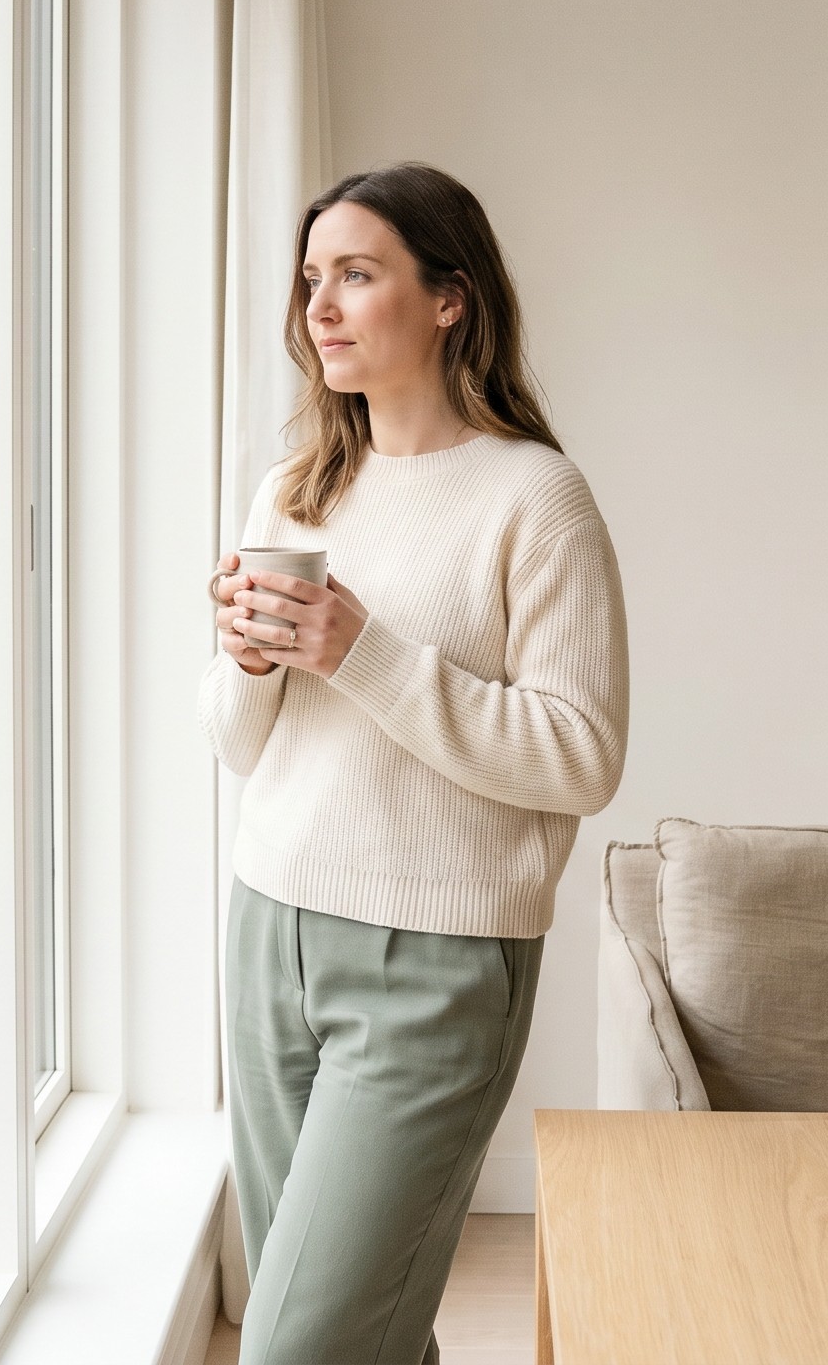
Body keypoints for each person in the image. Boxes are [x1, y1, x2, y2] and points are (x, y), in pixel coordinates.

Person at [200, 164, 629, 1364]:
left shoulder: (536, 499)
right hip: (269, 930)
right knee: (360, 1333)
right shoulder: (298, 485)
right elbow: (241, 746)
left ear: (449, 298)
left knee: (299, 1345)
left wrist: (362, 652)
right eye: (309, 280)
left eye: (355, 273)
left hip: (434, 963)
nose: (319, 307)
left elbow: (582, 756)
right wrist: (240, 661)